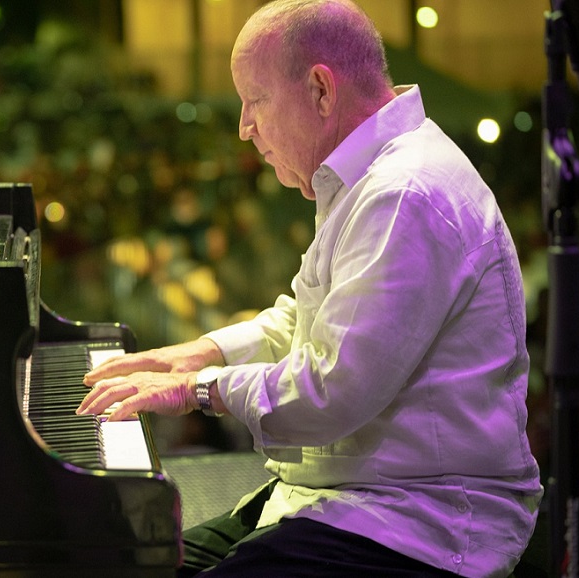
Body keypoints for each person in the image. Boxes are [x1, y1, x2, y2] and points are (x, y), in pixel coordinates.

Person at [76, 1, 543, 576]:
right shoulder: (370, 175)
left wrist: (198, 390)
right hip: (350, 498)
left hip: (420, 522)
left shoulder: (405, 194)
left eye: (255, 100)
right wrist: (200, 353)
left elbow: (333, 389)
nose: (244, 126)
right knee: (138, 564)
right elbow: (307, 315)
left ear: (321, 90)